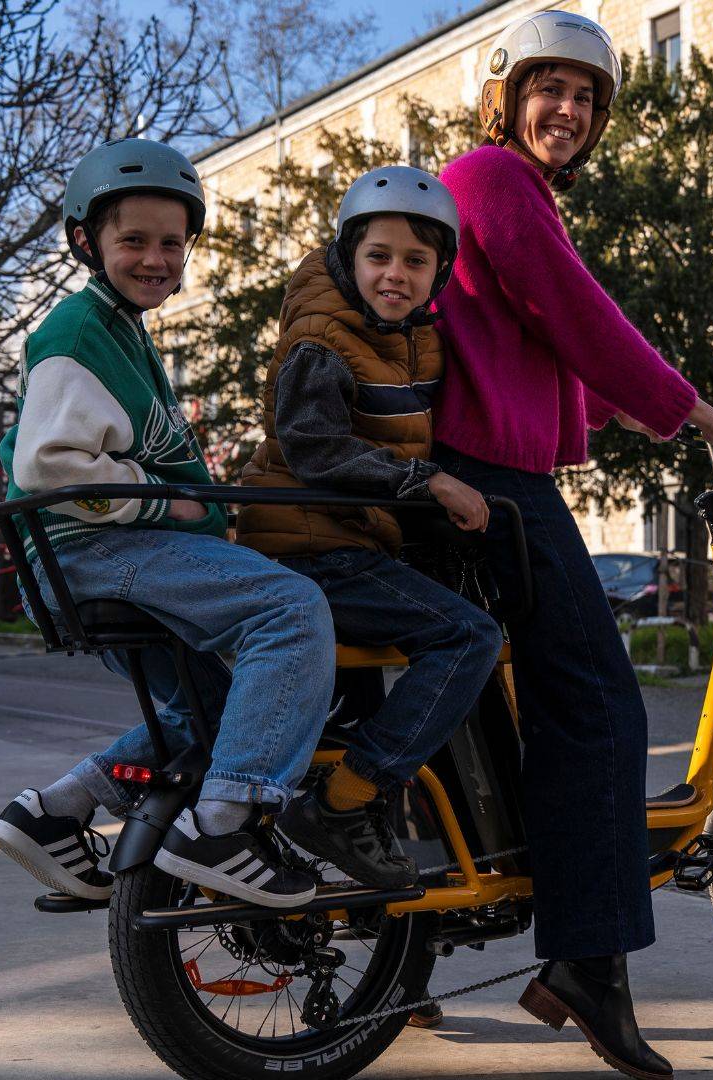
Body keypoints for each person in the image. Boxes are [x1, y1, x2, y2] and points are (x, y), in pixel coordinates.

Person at [433, 13, 713, 1079]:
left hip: (482, 476)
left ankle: (402, 960)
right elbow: (574, 314)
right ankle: (588, 964)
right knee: (599, 704)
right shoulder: (492, 177)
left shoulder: (501, 195)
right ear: (505, 95)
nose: (569, 112)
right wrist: (695, 412)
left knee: (485, 712)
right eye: (550, 88)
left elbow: (543, 344)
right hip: (493, 485)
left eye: (587, 97)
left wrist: (642, 410)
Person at [0, 138, 339, 910]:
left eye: (171, 243)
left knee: (212, 707)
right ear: (88, 242)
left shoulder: (124, 333)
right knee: (290, 611)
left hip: (102, 552)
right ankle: (222, 823)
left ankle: (54, 812)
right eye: (133, 240)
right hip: (96, 549)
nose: (155, 258)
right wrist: (166, 501)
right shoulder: (78, 332)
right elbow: (50, 466)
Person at [237, 166, 505, 892]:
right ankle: (340, 807)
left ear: (440, 272)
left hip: (348, 543)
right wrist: (428, 483)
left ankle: (397, 970)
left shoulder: (408, 334)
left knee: (365, 718)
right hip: (313, 548)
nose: (396, 274)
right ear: (348, 257)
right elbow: (314, 447)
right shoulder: (322, 337)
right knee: (467, 638)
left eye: (416, 261)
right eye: (379, 256)